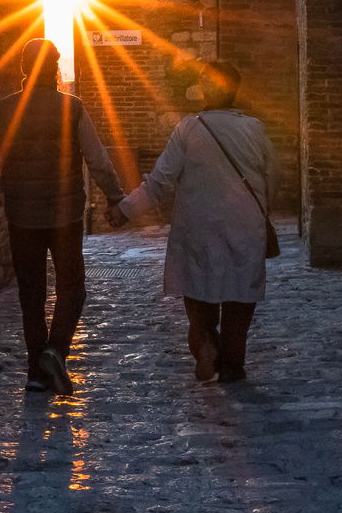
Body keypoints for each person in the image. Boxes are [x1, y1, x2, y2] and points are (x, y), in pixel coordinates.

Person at [107, 60, 279, 383]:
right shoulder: (255, 130)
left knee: (199, 301)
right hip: (245, 230)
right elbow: (273, 180)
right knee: (239, 301)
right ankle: (232, 365)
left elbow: (158, 183)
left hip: (197, 231)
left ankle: (206, 343)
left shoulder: (187, 129)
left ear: (204, 88)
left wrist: (125, 210)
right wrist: (260, 211)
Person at [0, 38, 125, 394]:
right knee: (72, 288)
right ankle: (56, 349)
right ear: (55, 68)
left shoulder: (3, 109)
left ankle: (36, 373)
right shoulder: (72, 108)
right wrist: (115, 198)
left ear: (23, 68)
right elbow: (97, 159)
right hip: (65, 214)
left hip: (21, 215)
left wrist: (8, 185)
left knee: (31, 294)